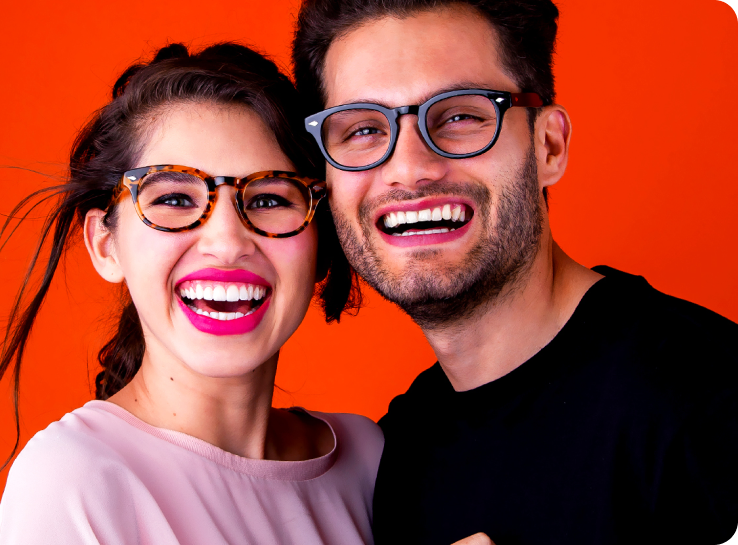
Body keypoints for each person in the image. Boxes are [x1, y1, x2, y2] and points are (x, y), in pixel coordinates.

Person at [292, 1, 738, 544]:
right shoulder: (399, 450)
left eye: (459, 116)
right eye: (363, 129)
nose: (408, 168)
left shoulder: (710, 400)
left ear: (549, 145)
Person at [0, 42, 383, 544]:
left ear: (320, 243)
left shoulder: (370, 458)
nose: (227, 243)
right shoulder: (71, 481)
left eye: (270, 199)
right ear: (105, 244)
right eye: (173, 198)